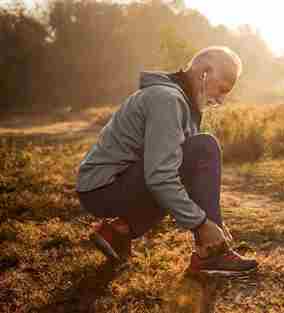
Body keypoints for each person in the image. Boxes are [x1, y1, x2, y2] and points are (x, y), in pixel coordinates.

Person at [75, 46, 258, 274]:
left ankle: (118, 232)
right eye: (221, 89)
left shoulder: (181, 101)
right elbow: (160, 177)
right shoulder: (168, 100)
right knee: (204, 147)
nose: (220, 100)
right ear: (204, 73)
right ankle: (212, 252)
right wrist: (204, 225)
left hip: (110, 184)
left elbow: (183, 175)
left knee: (181, 165)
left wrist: (214, 224)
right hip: (102, 188)